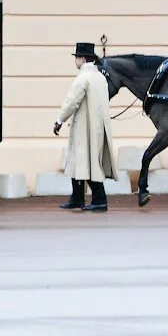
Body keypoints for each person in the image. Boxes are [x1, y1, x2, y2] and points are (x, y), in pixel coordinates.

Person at [53, 42, 119, 212]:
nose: (75, 61)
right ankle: (77, 198)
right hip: (97, 126)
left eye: (76, 57)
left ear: (82, 59)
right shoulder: (100, 77)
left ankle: (98, 199)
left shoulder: (83, 78)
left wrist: (60, 120)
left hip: (83, 127)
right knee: (84, 162)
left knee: (84, 163)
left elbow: (71, 102)